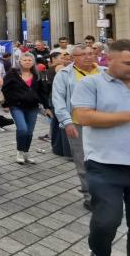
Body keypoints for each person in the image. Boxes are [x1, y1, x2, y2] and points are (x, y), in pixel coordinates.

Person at [71, 39, 130, 256]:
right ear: (109, 59)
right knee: (107, 220)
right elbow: (84, 117)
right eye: (129, 63)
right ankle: (98, 251)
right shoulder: (90, 84)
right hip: (105, 164)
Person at [52, 44, 105, 209]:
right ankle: (90, 196)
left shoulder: (105, 72)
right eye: (83, 54)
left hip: (103, 122)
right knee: (83, 160)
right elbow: (58, 100)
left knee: (104, 160)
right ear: (74, 58)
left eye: (90, 53)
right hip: (77, 124)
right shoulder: (64, 75)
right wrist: (66, 122)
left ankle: (105, 193)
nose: (88, 56)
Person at [2, 52, 45, 164]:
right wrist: (6, 104)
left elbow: (42, 91)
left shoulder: (36, 75)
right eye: (25, 60)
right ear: (19, 61)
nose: (27, 62)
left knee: (29, 132)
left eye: (30, 60)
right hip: (17, 106)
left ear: (33, 62)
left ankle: (26, 152)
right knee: (22, 129)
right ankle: (20, 152)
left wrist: (46, 106)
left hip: (33, 107)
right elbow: (5, 89)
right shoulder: (12, 73)